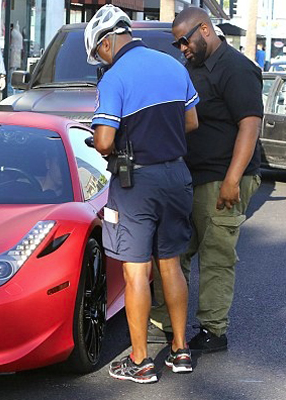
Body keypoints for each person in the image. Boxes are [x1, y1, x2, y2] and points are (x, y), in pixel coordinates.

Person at [84, 4, 199, 383]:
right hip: (177, 174)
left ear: (106, 42)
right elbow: (191, 121)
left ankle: (140, 360)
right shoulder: (172, 65)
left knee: (137, 273)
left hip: (137, 183)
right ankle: (181, 351)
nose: (101, 57)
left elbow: (103, 141)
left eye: (98, 51)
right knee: (171, 264)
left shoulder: (114, 78)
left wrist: (112, 143)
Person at [149, 7, 263, 354]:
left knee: (215, 257)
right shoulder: (192, 69)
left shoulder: (236, 67)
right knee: (173, 252)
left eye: (184, 41)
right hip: (190, 177)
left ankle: (214, 331)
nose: (181, 48)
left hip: (222, 178)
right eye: (177, 44)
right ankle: (166, 324)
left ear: (205, 29)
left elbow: (249, 124)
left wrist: (232, 179)